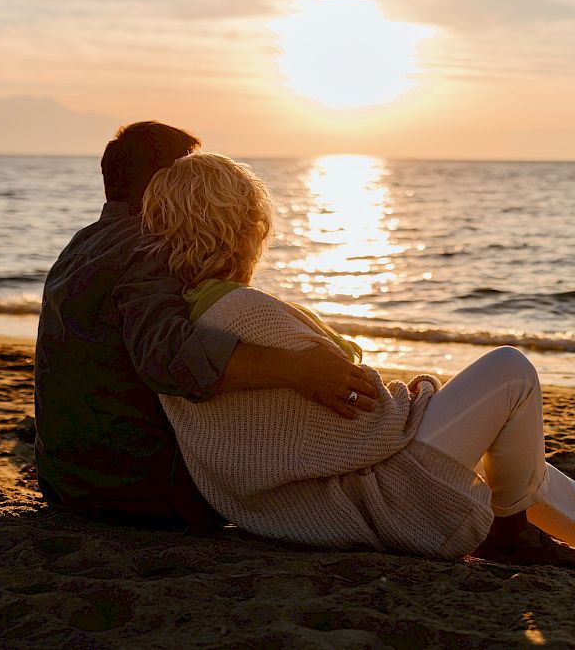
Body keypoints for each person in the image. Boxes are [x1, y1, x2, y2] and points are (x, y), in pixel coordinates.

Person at [141, 152, 575, 563]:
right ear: (246, 226)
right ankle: (514, 531)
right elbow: (357, 423)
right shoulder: (244, 313)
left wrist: (411, 403)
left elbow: (304, 425)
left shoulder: (184, 322)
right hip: (374, 501)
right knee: (511, 372)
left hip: (301, 506)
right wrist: (419, 401)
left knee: (500, 442)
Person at [34, 122, 378, 529]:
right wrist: (299, 370)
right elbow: (169, 358)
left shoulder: (84, 243)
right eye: (191, 169)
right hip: (140, 491)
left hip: (67, 481)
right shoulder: (147, 247)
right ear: (168, 181)